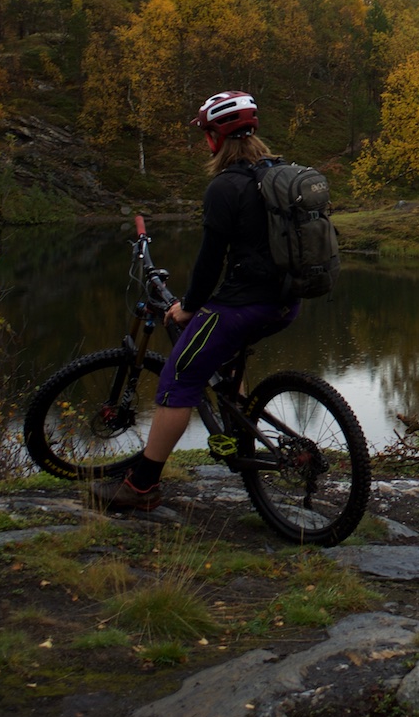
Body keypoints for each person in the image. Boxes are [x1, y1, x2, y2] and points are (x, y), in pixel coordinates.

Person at [89, 90, 298, 512]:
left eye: (206, 133)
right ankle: (239, 434)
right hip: (286, 302)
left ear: (216, 137)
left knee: (176, 382)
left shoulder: (226, 186)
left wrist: (187, 306)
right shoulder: (278, 175)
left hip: (243, 306)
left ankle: (141, 486)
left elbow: (208, 263)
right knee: (220, 357)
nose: (206, 141)